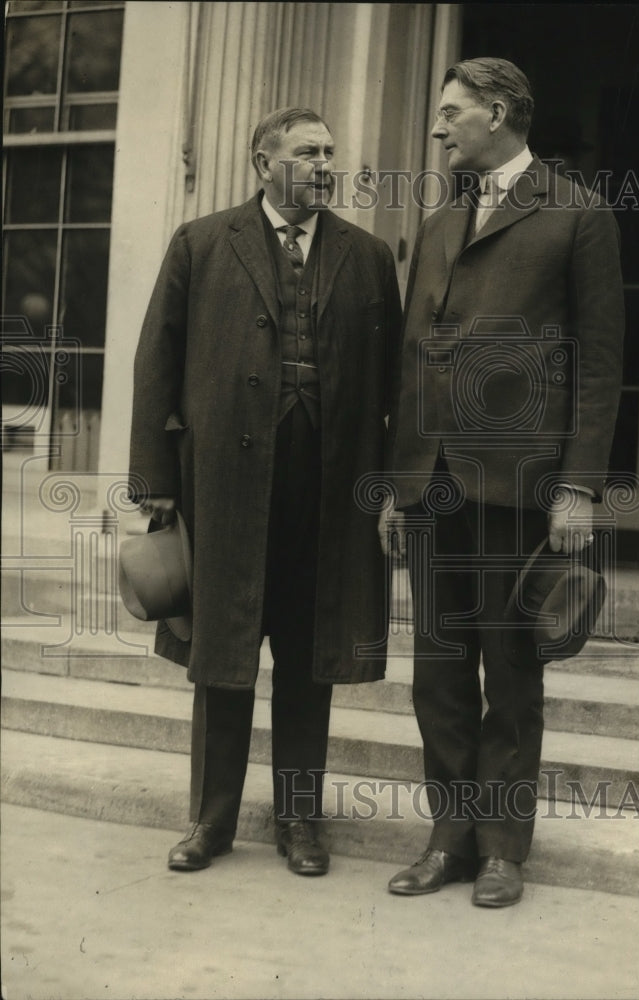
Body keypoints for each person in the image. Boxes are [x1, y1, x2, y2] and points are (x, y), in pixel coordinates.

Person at [129, 107, 401, 876]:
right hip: (222, 484)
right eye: (307, 153)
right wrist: (156, 485)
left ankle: (299, 826)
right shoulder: (203, 242)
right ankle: (210, 823)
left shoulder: (369, 255)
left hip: (331, 485)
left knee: (312, 656)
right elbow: (157, 364)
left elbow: (395, 384)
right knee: (220, 656)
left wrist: (389, 486)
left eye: (330, 153)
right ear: (263, 161)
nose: (324, 165)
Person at [384, 58, 624, 906]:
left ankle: (501, 850)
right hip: (433, 484)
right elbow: (416, 357)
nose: (440, 127)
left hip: (520, 487)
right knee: (437, 671)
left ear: (499, 112)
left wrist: (577, 488)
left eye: (452, 112)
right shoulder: (442, 216)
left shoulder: (578, 213)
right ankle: (449, 841)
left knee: (510, 670)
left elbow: (599, 366)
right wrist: (396, 480)